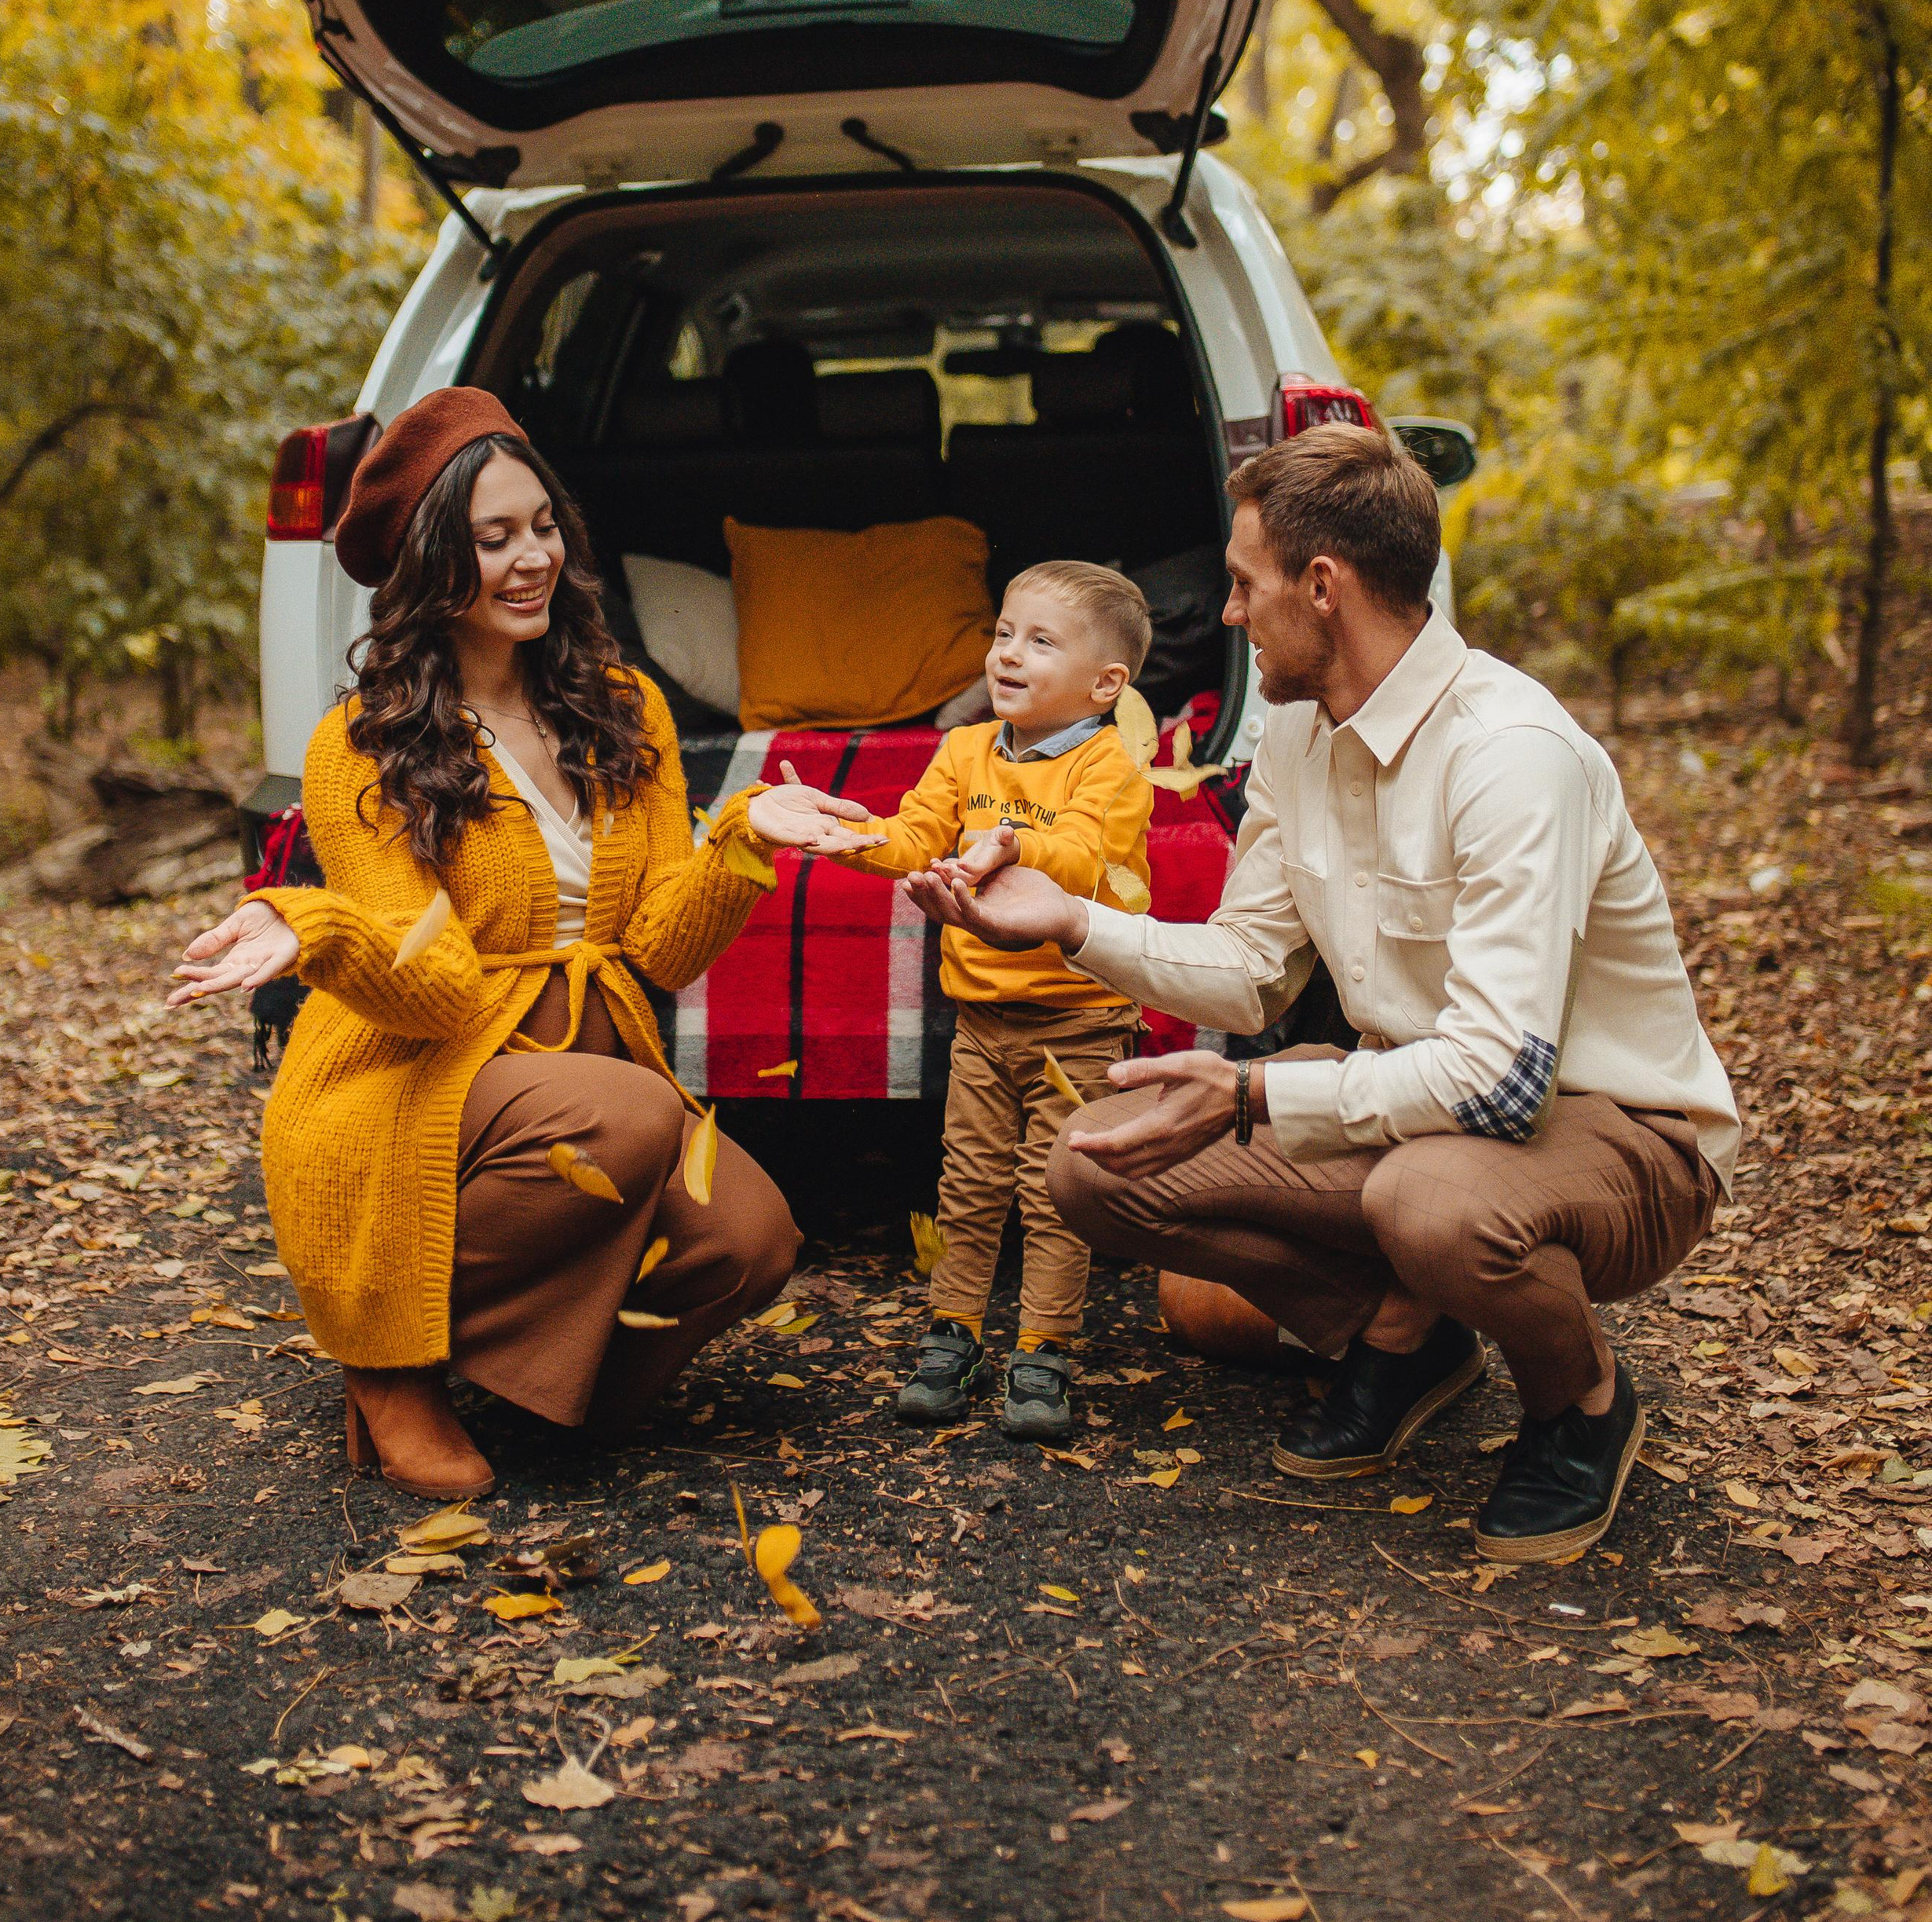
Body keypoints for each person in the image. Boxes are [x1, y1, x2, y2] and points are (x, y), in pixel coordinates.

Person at [906, 425, 1739, 1563]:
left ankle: (1582, 1402)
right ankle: (1406, 1337)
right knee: (1093, 1165)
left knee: (1428, 1204)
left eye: (1244, 584)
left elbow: (1501, 1082)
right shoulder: (1298, 733)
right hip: (1414, 1111)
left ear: (1323, 587)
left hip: (1619, 1133)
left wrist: (1254, 1097)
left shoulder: (1510, 755)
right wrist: (1072, 923)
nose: (1229, 613)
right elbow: (1251, 970)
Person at [170, 387, 876, 1501]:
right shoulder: (365, 744)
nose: (532, 557)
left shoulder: (624, 708)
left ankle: (544, 1391)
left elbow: (660, 949)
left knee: (749, 1242)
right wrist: (314, 925)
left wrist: (742, 839)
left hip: (584, 1056)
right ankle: (387, 1361)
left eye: (542, 526)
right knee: (628, 1116)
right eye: (493, 538)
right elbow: (434, 985)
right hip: (416, 1063)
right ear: (430, 563)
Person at [850, 562, 1155, 1443]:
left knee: (1055, 1191)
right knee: (969, 1184)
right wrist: (847, 832)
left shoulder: (1112, 766)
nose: (1008, 655)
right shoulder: (964, 751)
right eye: (1003, 634)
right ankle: (953, 1337)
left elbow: (1085, 858)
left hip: (1081, 1023)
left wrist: (1008, 843)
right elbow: (913, 833)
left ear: (1105, 685)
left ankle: (1043, 1349)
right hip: (982, 1022)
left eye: (1040, 641)